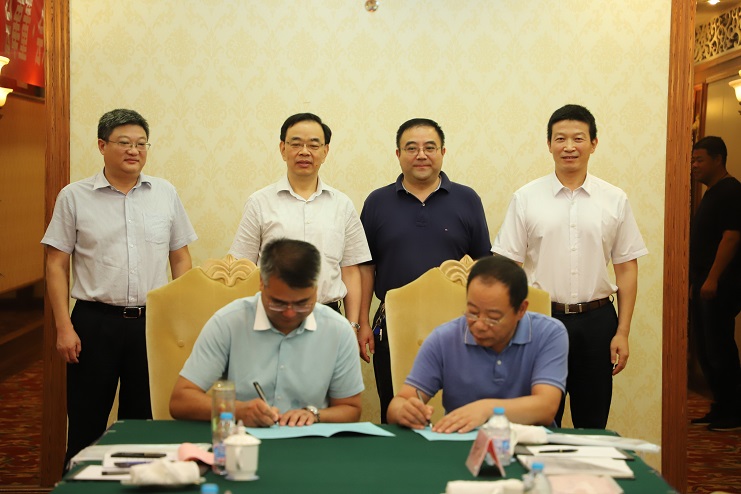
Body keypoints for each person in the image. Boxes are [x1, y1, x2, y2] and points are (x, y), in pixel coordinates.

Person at [41, 108, 197, 467]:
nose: (134, 150)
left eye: (141, 144)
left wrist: (179, 317)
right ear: (102, 145)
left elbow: (181, 258)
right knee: (86, 421)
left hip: (150, 324)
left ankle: (138, 484)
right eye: (124, 142)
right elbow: (56, 264)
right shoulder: (74, 196)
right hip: (94, 323)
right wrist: (64, 326)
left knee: (142, 423)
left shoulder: (165, 193)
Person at [492, 104, 647, 429]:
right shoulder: (526, 198)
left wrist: (622, 332)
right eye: (560, 138)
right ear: (549, 144)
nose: (569, 146)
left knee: (592, 423)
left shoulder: (615, 199)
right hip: (539, 320)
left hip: (597, 322)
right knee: (539, 423)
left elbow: (626, 268)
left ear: (593, 143)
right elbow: (507, 267)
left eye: (578, 138)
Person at [359, 118, 492, 423]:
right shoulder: (377, 202)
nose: (421, 155)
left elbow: (482, 265)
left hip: (457, 324)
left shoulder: (467, 199)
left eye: (429, 147)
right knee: (398, 411)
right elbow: (366, 267)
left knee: (459, 411)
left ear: (442, 152)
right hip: (394, 323)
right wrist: (362, 322)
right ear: (398, 154)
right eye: (411, 148)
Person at [170, 238, 364, 426]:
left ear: (315, 289)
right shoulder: (229, 323)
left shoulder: (338, 331)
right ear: (262, 283)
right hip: (242, 440)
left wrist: (314, 415)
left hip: (308, 441)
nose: (289, 313)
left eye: (302, 303)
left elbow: (350, 408)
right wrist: (236, 410)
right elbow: (181, 401)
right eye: (278, 303)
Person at [387, 256, 568, 431]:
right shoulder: (444, 339)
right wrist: (404, 411)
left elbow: (546, 407)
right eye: (472, 312)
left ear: (521, 309)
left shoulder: (549, 333)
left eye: (493, 317)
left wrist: (486, 410)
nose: (480, 325)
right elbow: (399, 403)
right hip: (461, 445)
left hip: (530, 445)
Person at [229, 113, 371, 331]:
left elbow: (350, 270)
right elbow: (242, 268)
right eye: (296, 144)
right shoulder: (259, 202)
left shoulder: (342, 204)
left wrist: (353, 324)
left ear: (325, 151)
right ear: (282, 149)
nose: (304, 152)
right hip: (273, 318)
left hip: (329, 319)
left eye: (313, 145)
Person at [689, 136, 741, 431]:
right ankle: (720, 406)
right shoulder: (712, 192)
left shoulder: (731, 191)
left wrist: (711, 278)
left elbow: (731, 237)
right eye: (693, 160)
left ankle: (733, 412)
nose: (694, 166)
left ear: (718, 159)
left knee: (720, 348)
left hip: (720, 284)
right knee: (707, 349)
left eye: (699, 160)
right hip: (703, 282)